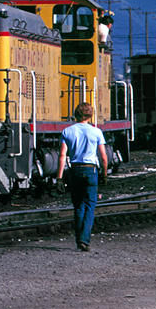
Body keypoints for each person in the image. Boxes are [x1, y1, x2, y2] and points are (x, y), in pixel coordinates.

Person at [56, 102, 108, 252]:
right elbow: (103, 157)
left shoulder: (67, 131)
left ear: (76, 115)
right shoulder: (96, 132)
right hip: (91, 170)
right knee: (90, 206)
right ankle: (84, 239)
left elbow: (62, 155)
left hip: (75, 170)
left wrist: (59, 178)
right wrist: (104, 175)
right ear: (90, 115)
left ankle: (79, 240)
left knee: (78, 206)